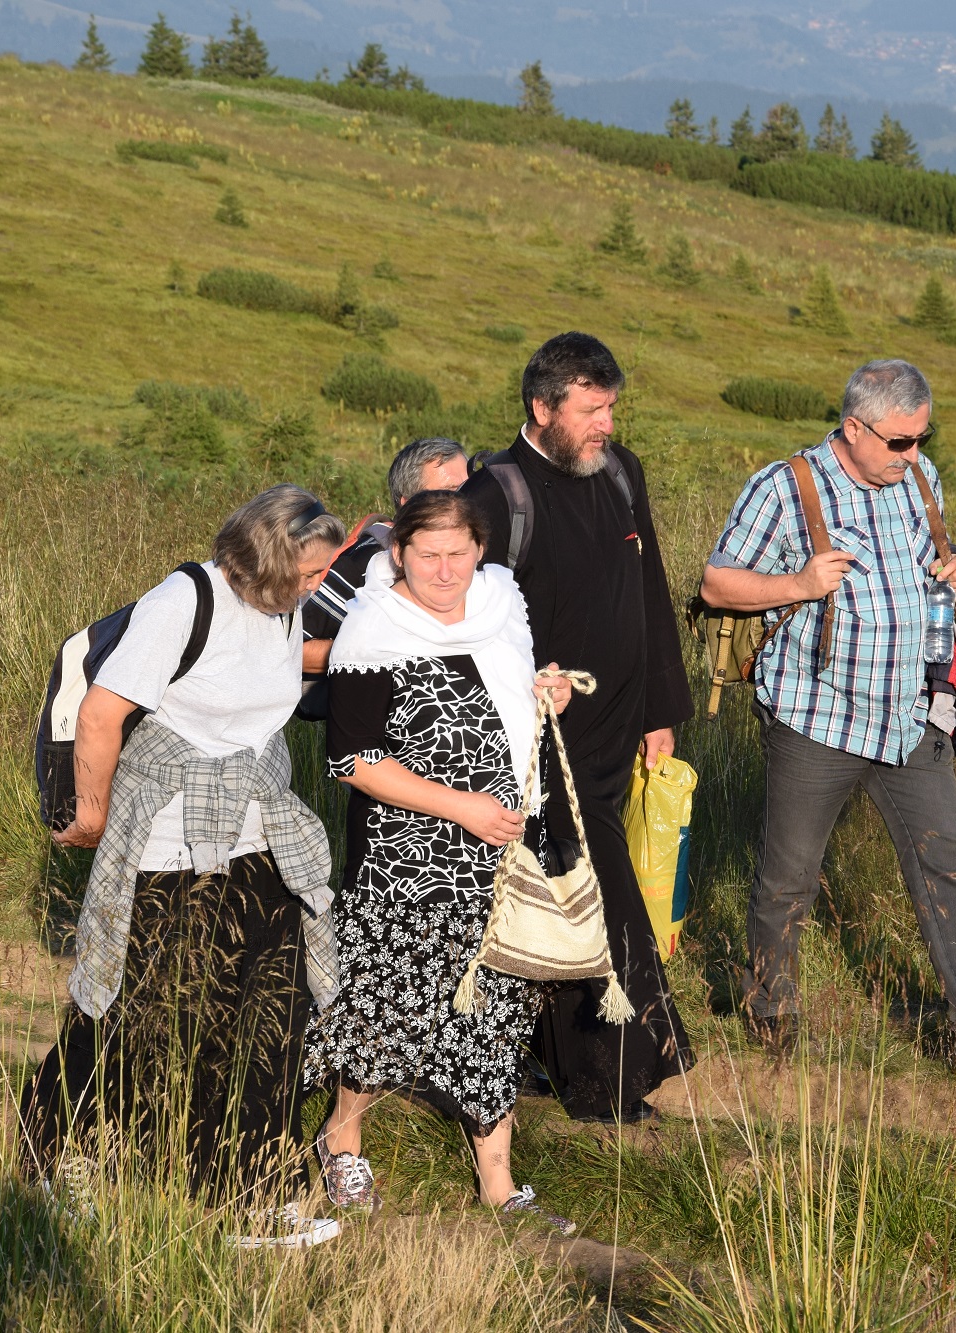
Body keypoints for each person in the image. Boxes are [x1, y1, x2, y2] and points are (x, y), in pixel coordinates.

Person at [698, 359, 956, 1075]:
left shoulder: (920, 482)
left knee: (948, 862)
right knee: (789, 874)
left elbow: (932, 559)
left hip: (910, 715)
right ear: (854, 427)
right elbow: (717, 582)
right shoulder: (786, 488)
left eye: (922, 439)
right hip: (817, 716)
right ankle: (771, 1009)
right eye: (900, 442)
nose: (914, 455)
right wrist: (797, 584)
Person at [19, 485, 348, 1249]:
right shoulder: (184, 599)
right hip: (168, 839)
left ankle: (248, 1189)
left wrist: (373, 647)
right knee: (146, 1013)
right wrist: (92, 813)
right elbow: (103, 711)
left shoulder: (286, 605)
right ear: (266, 557)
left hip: (256, 829)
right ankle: (59, 1148)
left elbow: (267, 668)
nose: (319, 585)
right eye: (309, 572)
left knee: (270, 1011)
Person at [305, 491, 580, 1233]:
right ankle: (342, 1139)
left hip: (501, 857)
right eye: (428, 553)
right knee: (385, 1010)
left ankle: (500, 1184)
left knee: (494, 1015)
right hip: (407, 864)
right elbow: (353, 761)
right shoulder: (372, 629)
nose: (445, 568)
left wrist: (544, 690)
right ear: (399, 553)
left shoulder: (500, 604)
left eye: (459, 551)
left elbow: (505, 700)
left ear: (479, 551)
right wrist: (460, 805)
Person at [461, 332, 695, 1124]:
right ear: (542, 407)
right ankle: (621, 1074)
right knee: (591, 885)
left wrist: (661, 708)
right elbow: (459, 618)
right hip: (539, 738)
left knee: (566, 883)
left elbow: (649, 587)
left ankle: (565, 1064)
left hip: (619, 724)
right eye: (591, 410)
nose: (606, 424)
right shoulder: (495, 493)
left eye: (611, 407)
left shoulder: (621, 474)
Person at [300, 436, 470, 677]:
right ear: (409, 504)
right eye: (451, 493)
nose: (466, 502)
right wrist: (382, 650)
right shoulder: (365, 560)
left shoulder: (473, 555)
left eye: (470, 488)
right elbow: (296, 651)